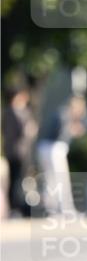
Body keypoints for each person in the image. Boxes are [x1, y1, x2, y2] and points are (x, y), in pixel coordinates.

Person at [36, 95, 86, 216]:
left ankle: (51, 209)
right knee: (61, 179)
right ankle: (65, 209)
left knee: (51, 180)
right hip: (54, 148)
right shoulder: (65, 115)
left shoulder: (61, 113)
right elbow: (61, 134)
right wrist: (74, 130)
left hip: (46, 148)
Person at [1, 85, 37, 216]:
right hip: (16, 151)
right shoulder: (12, 112)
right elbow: (24, 130)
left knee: (19, 179)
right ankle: (15, 208)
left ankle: (18, 208)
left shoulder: (15, 111)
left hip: (18, 151)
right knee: (16, 180)